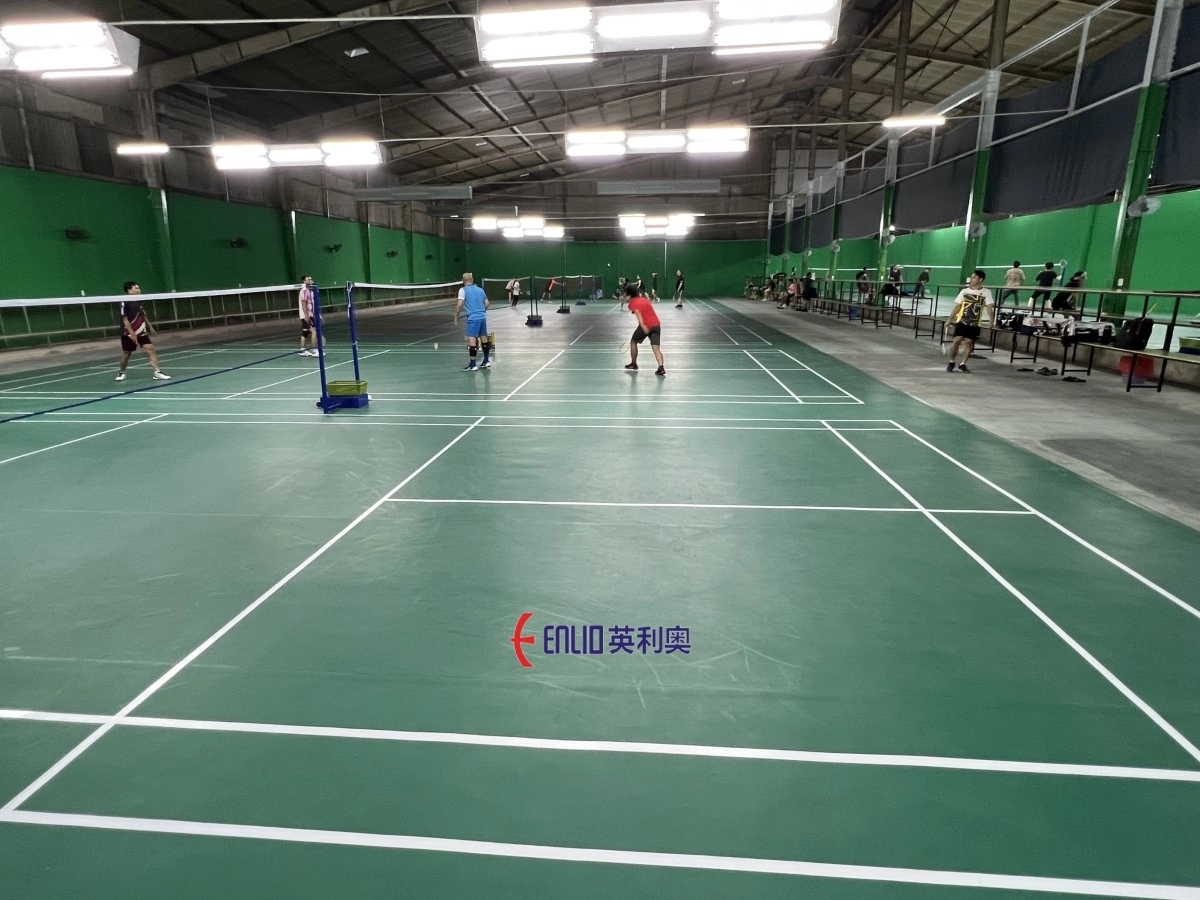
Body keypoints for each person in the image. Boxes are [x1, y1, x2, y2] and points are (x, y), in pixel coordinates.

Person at [115, 281, 170, 381]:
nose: (139, 290)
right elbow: (124, 319)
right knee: (127, 354)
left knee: (151, 350)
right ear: (129, 290)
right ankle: (122, 372)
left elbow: (142, 314)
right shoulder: (124, 301)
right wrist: (132, 333)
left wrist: (150, 327)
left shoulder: (139, 300)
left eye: (138, 288)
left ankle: (157, 372)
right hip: (127, 332)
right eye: (136, 288)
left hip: (141, 330)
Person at [944, 269, 995, 374]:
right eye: (971, 277)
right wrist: (950, 319)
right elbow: (957, 306)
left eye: (974, 277)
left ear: (980, 279)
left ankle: (962, 364)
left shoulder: (986, 292)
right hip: (962, 320)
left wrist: (991, 320)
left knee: (968, 342)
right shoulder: (964, 291)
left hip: (975, 322)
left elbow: (990, 307)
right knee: (956, 341)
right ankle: (951, 362)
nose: (971, 279)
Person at [623, 283, 665, 376]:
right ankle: (661, 368)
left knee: (633, 341)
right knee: (656, 348)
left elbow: (638, 313)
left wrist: (643, 327)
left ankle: (634, 363)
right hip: (656, 325)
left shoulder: (632, 304)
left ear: (629, 295)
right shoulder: (644, 299)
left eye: (625, 293)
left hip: (646, 325)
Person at [454, 272, 491, 371]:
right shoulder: (480, 290)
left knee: (472, 341)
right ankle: (486, 361)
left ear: (463, 281)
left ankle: (473, 364)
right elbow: (487, 303)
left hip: (473, 318)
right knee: (484, 338)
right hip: (482, 318)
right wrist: (482, 311)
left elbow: (460, 304)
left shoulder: (463, 290)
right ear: (472, 279)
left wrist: (456, 316)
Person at [298, 275, 321, 357]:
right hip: (306, 315)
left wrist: (318, 315)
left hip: (311, 314)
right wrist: (306, 316)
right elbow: (304, 304)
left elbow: (313, 304)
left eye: (311, 279)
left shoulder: (311, 291)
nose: (311, 281)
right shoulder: (304, 291)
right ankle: (315, 350)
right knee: (314, 331)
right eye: (308, 280)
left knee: (305, 332)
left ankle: (303, 351)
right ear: (304, 282)